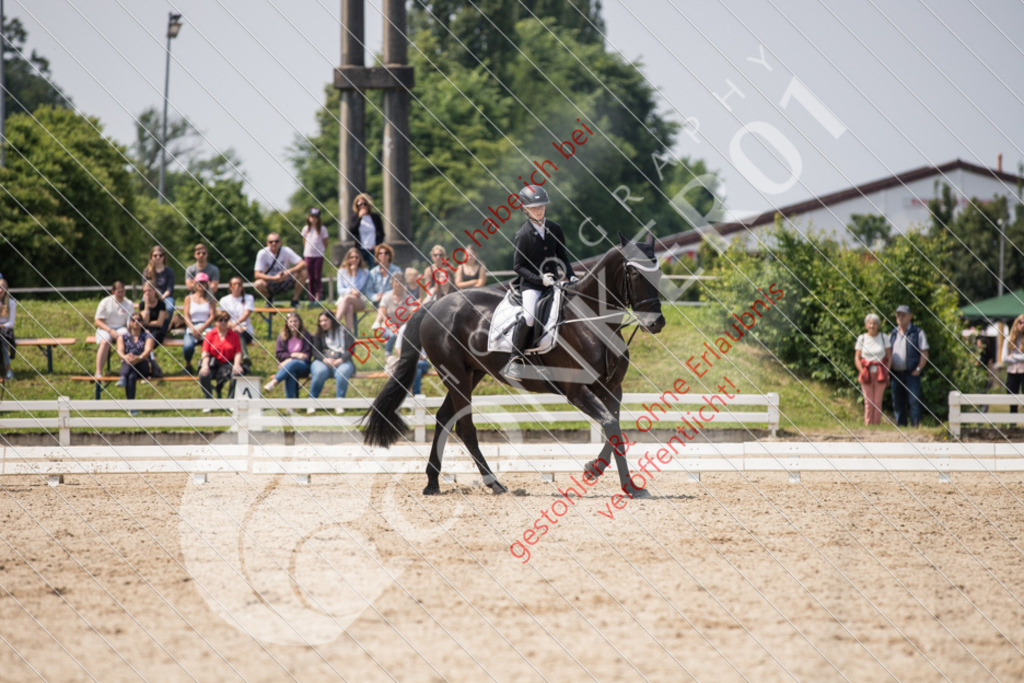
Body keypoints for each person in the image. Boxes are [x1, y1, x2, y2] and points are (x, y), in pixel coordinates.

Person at [504, 184, 577, 380]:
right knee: (529, 316)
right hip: (531, 285)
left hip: (554, 283)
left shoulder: (554, 228)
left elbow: (562, 255)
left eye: (542, 206)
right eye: (535, 208)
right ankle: (515, 359)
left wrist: (570, 275)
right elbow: (518, 267)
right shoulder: (523, 235)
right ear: (525, 209)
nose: (539, 210)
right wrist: (539, 279)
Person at [309, 311, 357, 413]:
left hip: (343, 361)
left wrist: (341, 359)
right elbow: (315, 351)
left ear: (332, 320)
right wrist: (324, 360)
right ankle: (312, 402)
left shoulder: (345, 331)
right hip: (322, 361)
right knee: (320, 372)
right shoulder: (318, 335)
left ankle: (339, 403)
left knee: (342, 373)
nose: (323, 323)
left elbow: (351, 350)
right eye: (321, 321)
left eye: (325, 320)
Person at [889, 305, 929, 427]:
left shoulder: (918, 332)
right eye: (898, 315)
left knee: (914, 401)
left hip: (911, 373)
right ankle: (901, 426)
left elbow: (925, 353)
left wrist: (918, 369)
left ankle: (915, 426)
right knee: (897, 402)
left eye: (903, 315)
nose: (900, 317)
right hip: (896, 373)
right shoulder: (893, 333)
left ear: (910, 316)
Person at [263, 312, 313, 398]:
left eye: (295, 321)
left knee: (294, 363)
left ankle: (274, 382)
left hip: (303, 366)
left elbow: (306, 355)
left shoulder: (306, 335)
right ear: (287, 323)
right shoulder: (282, 337)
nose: (293, 324)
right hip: (287, 366)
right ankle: (291, 407)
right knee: (290, 372)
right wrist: (293, 356)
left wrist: (290, 359)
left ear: (299, 322)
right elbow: (279, 353)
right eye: (291, 321)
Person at [199, 311, 244, 402]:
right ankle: (209, 400)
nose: (223, 322)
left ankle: (230, 400)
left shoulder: (234, 335)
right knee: (203, 374)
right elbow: (205, 352)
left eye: (225, 320)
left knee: (238, 373)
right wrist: (205, 365)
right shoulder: (210, 334)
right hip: (213, 364)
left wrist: (237, 365)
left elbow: (238, 352)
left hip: (228, 364)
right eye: (220, 320)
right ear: (216, 322)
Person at [855, 313, 891, 425]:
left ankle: (876, 425)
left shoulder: (884, 337)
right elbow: (857, 357)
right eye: (870, 323)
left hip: (880, 373)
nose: (872, 326)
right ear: (866, 325)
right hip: (866, 372)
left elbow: (889, 357)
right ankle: (868, 425)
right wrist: (862, 371)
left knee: (877, 401)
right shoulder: (862, 338)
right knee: (868, 402)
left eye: (875, 323)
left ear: (878, 325)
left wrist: (887, 371)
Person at [253, 232, 307, 307]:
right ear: (267, 243)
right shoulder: (262, 253)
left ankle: (295, 301)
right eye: (271, 242)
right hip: (269, 282)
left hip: (285, 280)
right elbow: (257, 274)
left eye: (276, 241)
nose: (274, 243)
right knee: (257, 284)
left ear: (280, 242)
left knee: (304, 272)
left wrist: (288, 272)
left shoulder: (286, 250)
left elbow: (303, 263)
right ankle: (269, 299)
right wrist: (274, 278)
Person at [94, 281, 135, 379]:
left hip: (121, 328)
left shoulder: (128, 303)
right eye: (119, 292)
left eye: (123, 292)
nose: (121, 294)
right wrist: (110, 330)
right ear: (113, 292)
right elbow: (97, 321)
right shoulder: (105, 302)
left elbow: (130, 322)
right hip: (105, 328)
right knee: (105, 342)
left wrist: (130, 328)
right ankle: (98, 372)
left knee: (126, 338)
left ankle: (126, 371)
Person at [182, 272, 217, 374]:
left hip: (207, 326)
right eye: (199, 283)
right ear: (195, 284)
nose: (201, 285)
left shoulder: (210, 299)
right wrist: (193, 328)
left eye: (203, 283)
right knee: (188, 346)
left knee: (212, 344)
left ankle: (207, 364)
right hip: (192, 325)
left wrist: (202, 328)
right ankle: (188, 364)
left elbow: (212, 316)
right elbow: (186, 316)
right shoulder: (189, 298)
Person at [117, 314, 155, 406]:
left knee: (133, 351)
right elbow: (120, 351)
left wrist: (138, 358)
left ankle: (122, 377)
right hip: (129, 364)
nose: (136, 322)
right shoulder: (123, 337)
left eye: (138, 320)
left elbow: (148, 350)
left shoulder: (147, 336)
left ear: (142, 322)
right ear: (130, 322)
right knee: (131, 377)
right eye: (133, 320)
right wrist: (125, 357)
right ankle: (131, 407)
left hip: (142, 364)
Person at [334, 247, 371, 332]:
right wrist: (350, 291)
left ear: (360, 259)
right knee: (349, 307)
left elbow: (358, 291)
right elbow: (340, 290)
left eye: (356, 257)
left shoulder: (365, 272)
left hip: (359, 300)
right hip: (344, 300)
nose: (354, 259)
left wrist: (354, 273)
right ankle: (349, 335)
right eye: (352, 257)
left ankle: (335, 323)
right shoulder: (341, 271)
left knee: (347, 298)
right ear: (348, 259)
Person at [372, 273, 408, 355]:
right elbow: (383, 316)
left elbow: (410, 315)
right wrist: (394, 329)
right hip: (387, 327)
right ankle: (387, 357)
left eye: (401, 282)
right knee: (391, 336)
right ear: (392, 283)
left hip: (402, 327)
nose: (399, 284)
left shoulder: (407, 298)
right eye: (396, 281)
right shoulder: (386, 297)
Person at [218, 276, 255, 357]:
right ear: (230, 286)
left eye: (239, 284)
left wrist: (235, 325)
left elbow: (246, 314)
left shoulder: (249, 298)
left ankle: (244, 356)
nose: (237, 286)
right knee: (234, 333)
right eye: (235, 284)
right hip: (229, 328)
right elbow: (224, 316)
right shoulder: (224, 300)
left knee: (237, 334)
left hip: (245, 329)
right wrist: (232, 326)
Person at [301, 208, 330, 305]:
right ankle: (311, 297)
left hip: (318, 255)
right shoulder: (306, 229)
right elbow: (304, 241)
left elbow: (325, 242)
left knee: (317, 276)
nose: (313, 219)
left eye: (315, 217)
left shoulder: (322, 229)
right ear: (309, 218)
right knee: (310, 277)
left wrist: (320, 250)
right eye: (312, 217)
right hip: (308, 255)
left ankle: (318, 295)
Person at [348, 192, 384, 268]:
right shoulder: (355, 217)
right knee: (360, 270)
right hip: (360, 249)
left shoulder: (375, 217)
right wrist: (359, 218)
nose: (362, 206)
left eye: (364, 204)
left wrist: (377, 245)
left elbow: (381, 233)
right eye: (359, 204)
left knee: (373, 269)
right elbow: (352, 230)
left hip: (372, 249)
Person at [1001, 314, 1024, 414]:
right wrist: (1021, 358)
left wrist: (1013, 357)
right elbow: (1004, 358)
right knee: (1012, 398)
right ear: (1016, 323)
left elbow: (1009, 357)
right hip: (1012, 372)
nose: (1022, 325)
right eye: (1020, 322)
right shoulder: (1008, 339)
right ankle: (1012, 424)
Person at [366, 243, 402, 309]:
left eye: (386, 253)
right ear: (377, 256)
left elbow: (399, 287)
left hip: (392, 299)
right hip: (377, 301)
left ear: (389, 255)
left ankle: (379, 319)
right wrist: (376, 297)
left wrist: (385, 295)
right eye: (380, 253)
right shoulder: (372, 272)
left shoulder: (396, 270)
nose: (383, 255)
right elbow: (368, 291)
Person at [142, 245, 176, 311]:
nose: (158, 257)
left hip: (166, 297)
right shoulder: (147, 271)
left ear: (164, 257)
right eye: (155, 255)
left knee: (169, 308)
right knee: (143, 305)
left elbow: (170, 288)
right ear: (151, 257)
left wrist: (162, 297)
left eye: (160, 255)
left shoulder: (169, 271)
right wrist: (153, 297)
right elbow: (144, 287)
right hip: (149, 295)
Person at [0, 278, 15, 381]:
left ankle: (8, 369)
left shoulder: (11, 303)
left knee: (2, 342)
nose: (0, 290)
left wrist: (1, 326)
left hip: (6, 331)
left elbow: (11, 323)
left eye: (2, 288)